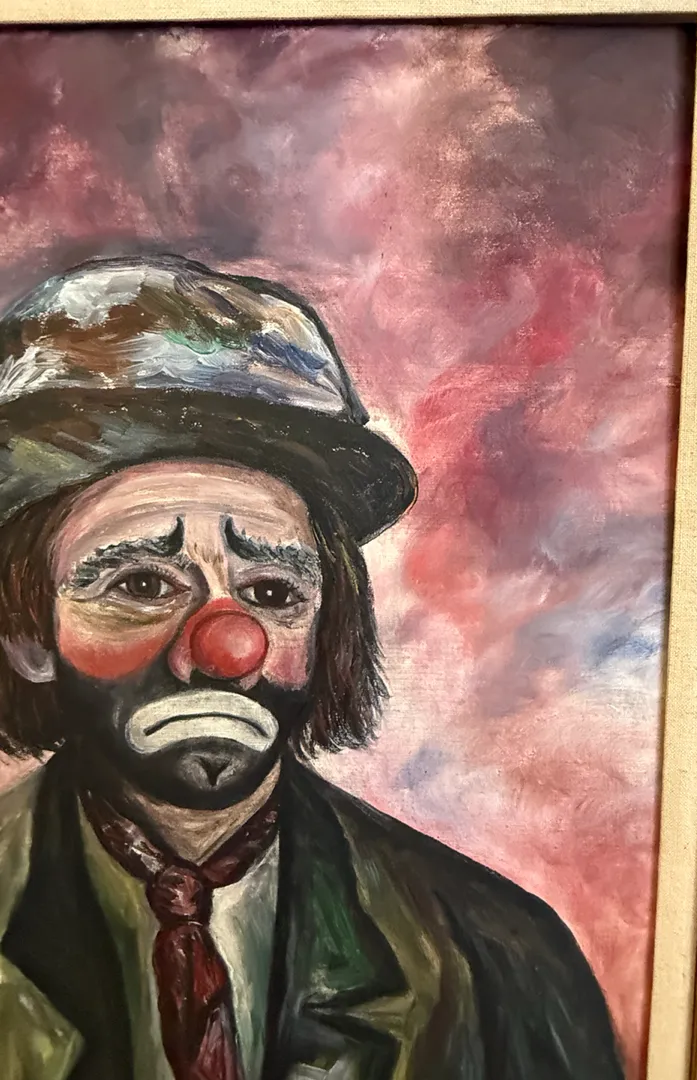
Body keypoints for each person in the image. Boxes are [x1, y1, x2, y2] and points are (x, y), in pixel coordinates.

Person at [0, 254, 624, 1080]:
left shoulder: (500, 960)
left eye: (271, 590)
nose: (226, 648)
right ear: (27, 633)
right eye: (141, 584)